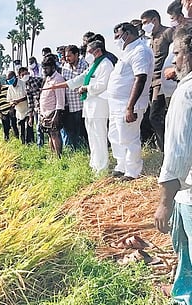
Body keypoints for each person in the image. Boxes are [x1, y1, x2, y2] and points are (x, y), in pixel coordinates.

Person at [154, 23, 192, 304]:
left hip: (189, 194)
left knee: (187, 247)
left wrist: (164, 203)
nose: (173, 60)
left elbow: (177, 155)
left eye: (176, 53)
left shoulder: (186, 93)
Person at [43, 40, 114, 173]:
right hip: (90, 107)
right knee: (92, 137)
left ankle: (103, 166)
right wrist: (56, 86)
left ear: (97, 51)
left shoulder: (106, 65)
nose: (86, 55)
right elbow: (78, 79)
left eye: (88, 52)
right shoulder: (94, 65)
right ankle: (95, 165)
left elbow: (102, 85)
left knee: (99, 137)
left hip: (99, 106)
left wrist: (86, 88)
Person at [106, 22, 154, 181]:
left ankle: (132, 171)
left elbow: (140, 78)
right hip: (116, 104)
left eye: (117, 36)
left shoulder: (140, 51)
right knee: (115, 136)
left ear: (127, 34)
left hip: (129, 105)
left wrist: (130, 107)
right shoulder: (127, 51)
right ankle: (122, 165)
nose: (116, 40)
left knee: (129, 138)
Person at [141, 9, 174, 152]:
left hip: (164, 82)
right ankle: (165, 149)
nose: (143, 27)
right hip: (152, 83)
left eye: (145, 23)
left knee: (156, 116)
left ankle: (167, 149)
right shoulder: (150, 39)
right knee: (156, 117)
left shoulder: (168, 33)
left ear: (154, 20)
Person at [61, 44, 89, 150]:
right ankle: (77, 151)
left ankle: (86, 150)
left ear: (76, 55)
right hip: (70, 106)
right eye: (66, 56)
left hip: (82, 104)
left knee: (83, 131)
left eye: (69, 56)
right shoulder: (65, 68)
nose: (67, 59)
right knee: (72, 132)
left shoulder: (84, 65)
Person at [40, 55, 66, 157]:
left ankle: (58, 157)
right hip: (45, 113)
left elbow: (60, 100)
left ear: (53, 67)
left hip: (53, 112)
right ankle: (53, 155)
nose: (44, 70)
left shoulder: (58, 79)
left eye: (46, 68)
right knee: (50, 135)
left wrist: (57, 114)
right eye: (43, 68)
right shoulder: (47, 79)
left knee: (55, 135)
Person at [19, 66, 43, 145]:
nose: (25, 76)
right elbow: (30, 102)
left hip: (43, 105)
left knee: (42, 127)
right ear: (20, 76)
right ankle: (40, 145)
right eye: (23, 75)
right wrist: (30, 116)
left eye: (26, 73)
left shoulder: (36, 80)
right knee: (38, 127)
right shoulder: (26, 86)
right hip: (36, 108)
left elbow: (44, 84)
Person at [6, 71, 31, 144]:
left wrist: (19, 101)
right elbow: (9, 100)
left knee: (27, 130)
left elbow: (28, 96)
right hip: (19, 112)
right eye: (8, 80)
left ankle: (29, 144)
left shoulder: (23, 83)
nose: (9, 81)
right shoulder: (10, 88)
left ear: (15, 77)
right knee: (21, 131)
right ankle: (23, 145)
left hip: (27, 110)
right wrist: (12, 103)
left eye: (10, 79)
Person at [0, 76, 19, 141]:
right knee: (6, 130)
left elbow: (13, 98)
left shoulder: (7, 88)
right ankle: (7, 141)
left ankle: (17, 139)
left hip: (11, 111)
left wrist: (12, 108)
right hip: (3, 113)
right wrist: (0, 115)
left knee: (14, 126)